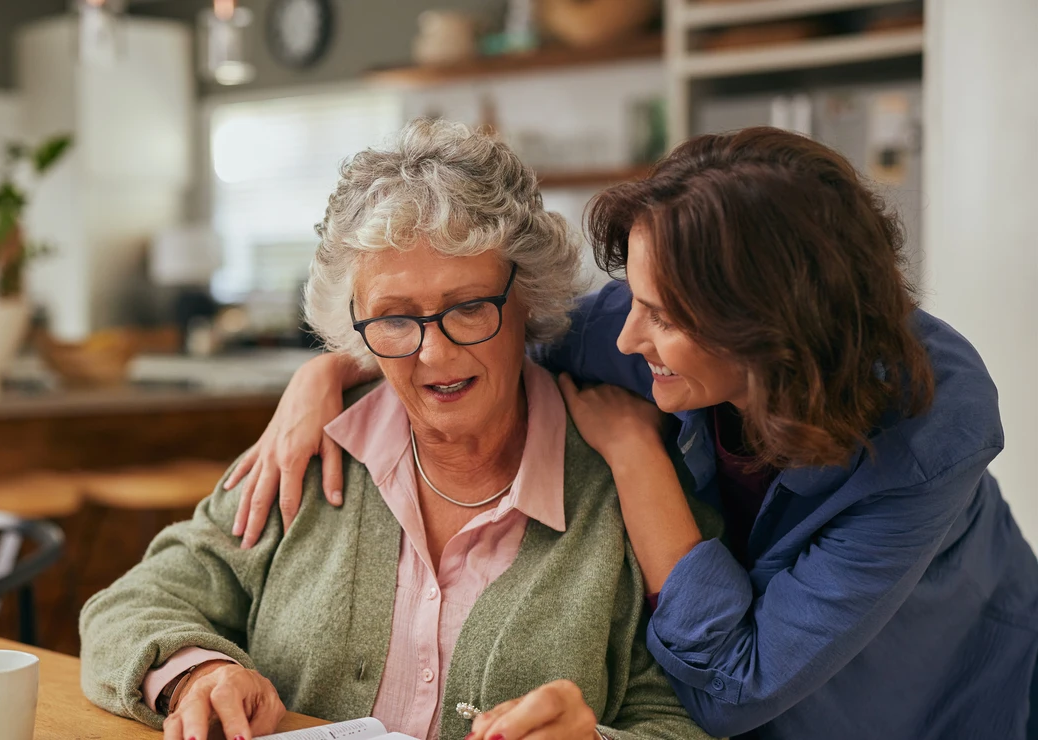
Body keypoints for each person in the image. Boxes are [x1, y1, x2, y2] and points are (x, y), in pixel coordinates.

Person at [225, 126, 1038, 740]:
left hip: (925, 695)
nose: (624, 336)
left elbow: (735, 682)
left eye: (660, 316)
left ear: (763, 333)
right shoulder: (645, 321)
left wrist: (632, 451)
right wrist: (329, 374)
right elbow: (480, 330)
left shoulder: (929, 437)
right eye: (634, 296)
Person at [80, 119, 714, 740]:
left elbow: (689, 721)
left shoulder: (631, 487)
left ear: (529, 297)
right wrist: (199, 675)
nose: (433, 354)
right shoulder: (303, 454)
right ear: (351, 325)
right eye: (392, 318)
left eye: (468, 307)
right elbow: (129, 607)